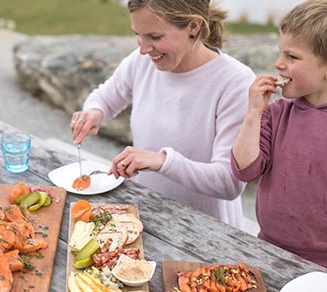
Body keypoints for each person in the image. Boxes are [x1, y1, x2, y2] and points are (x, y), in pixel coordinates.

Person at [71, 0, 254, 228]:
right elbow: (105, 97)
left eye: (155, 37)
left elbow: (229, 182)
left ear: (194, 27)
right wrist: (94, 113)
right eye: (138, 34)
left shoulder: (236, 82)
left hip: (208, 230)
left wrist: (162, 162)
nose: (143, 48)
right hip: (147, 217)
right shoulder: (142, 61)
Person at [231, 0, 327, 280]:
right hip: (266, 251)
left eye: (292, 57)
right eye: (280, 53)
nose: (278, 64)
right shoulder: (276, 113)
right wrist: (253, 113)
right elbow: (245, 169)